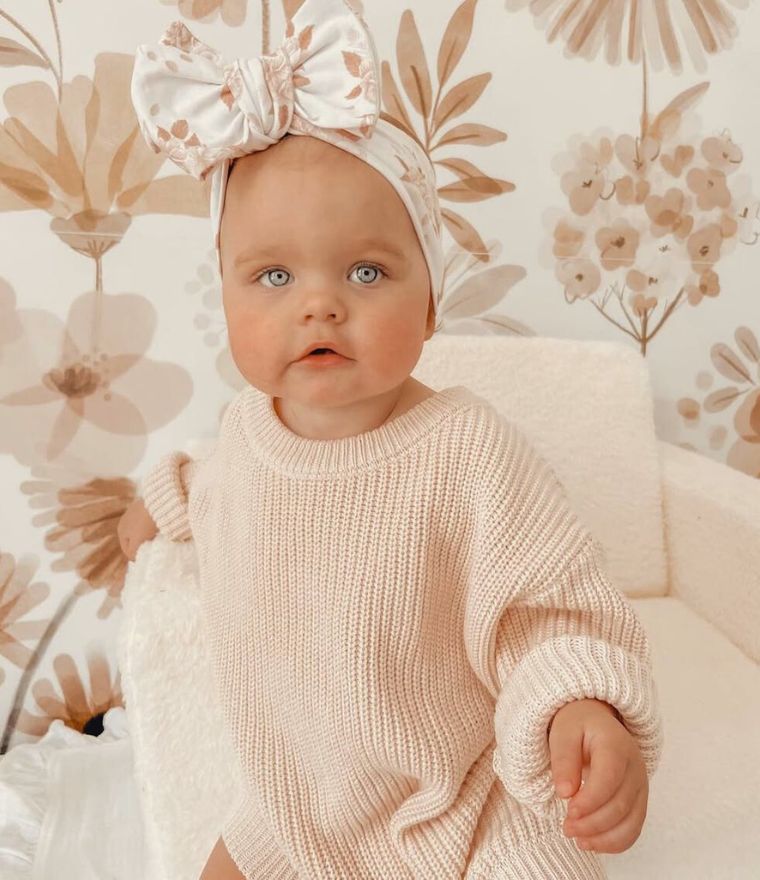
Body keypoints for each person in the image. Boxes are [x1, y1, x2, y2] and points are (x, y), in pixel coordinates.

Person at [122, 1, 664, 877]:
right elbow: (209, 488)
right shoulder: (245, 437)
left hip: (462, 797)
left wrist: (580, 708)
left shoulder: (466, 450)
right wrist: (157, 504)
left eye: (366, 271)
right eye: (272, 275)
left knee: (550, 865)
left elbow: (546, 606)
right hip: (295, 804)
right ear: (225, 297)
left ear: (432, 302)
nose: (319, 304)